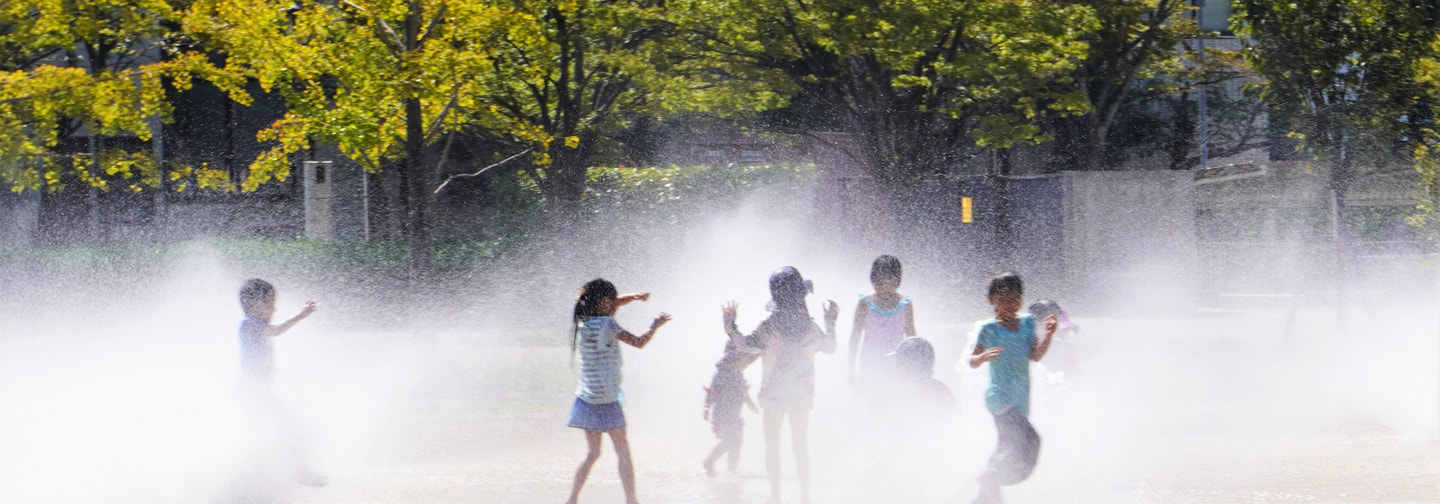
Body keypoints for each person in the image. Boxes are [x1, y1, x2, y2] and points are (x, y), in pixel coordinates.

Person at [723, 266, 838, 504]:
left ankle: (775, 497)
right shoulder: (810, 327)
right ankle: (805, 496)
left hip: (774, 396)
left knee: (773, 448)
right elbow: (831, 347)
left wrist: (730, 326)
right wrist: (830, 322)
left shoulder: (769, 326)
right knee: (800, 446)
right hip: (801, 396)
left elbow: (744, 345)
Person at [564, 279, 672, 504]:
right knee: (623, 452)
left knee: (593, 454)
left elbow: (612, 305)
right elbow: (639, 342)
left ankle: (572, 499)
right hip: (608, 401)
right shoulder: (609, 325)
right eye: (613, 301)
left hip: (586, 400)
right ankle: (632, 501)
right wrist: (655, 325)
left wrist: (634, 297)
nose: (616, 304)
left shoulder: (584, 321)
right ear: (605, 302)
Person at [967, 272, 1057, 504]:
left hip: (1020, 398)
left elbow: (1035, 356)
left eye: (1016, 298)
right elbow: (971, 361)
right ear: (992, 300)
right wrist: (983, 356)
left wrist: (1048, 335)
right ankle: (994, 478)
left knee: (1006, 446)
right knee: (1030, 440)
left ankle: (985, 498)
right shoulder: (989, 329)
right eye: (1005, 298)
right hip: (999, 398)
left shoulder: (1027, 323)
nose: (1011, 303)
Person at [236, 278, 326, 487]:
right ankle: (298, 471)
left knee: (260, 434)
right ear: (255, 305)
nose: (274, 308)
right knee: (287, 429)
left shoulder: (253, 325)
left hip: (256, 394)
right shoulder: (249, 326)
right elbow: (275, 331)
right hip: (254, 395)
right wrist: (301, 315)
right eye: (269, 304)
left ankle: (253, 476)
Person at [848, 255, 916, 402]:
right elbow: (855, 337)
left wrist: (916, 365)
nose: (885, 288)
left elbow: (912, 337)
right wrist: (851, 368)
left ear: (897, 281)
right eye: (880, 283)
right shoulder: (864, 303)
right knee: (874, 403)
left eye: (890, 283)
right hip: (870, 363)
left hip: (897, 363)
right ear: (873, 281)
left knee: (895, 402)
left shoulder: (905, 304)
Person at [701, 337, 760, 477]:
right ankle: (709, 461)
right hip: (723, 413)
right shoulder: (721, 373)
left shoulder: (738, 372)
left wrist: (750, 403)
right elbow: (712, 392)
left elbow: (742, 391)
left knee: (737, 442)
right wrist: (706, 407)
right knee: (729, 441)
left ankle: (731, 470)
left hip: (734, 414)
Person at [1027, 299, 1079, 377]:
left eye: (1066, 330)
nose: (1065, 335)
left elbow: (1075, 373)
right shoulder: (1025, 345)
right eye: (1061, 331)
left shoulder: (1065, 347)